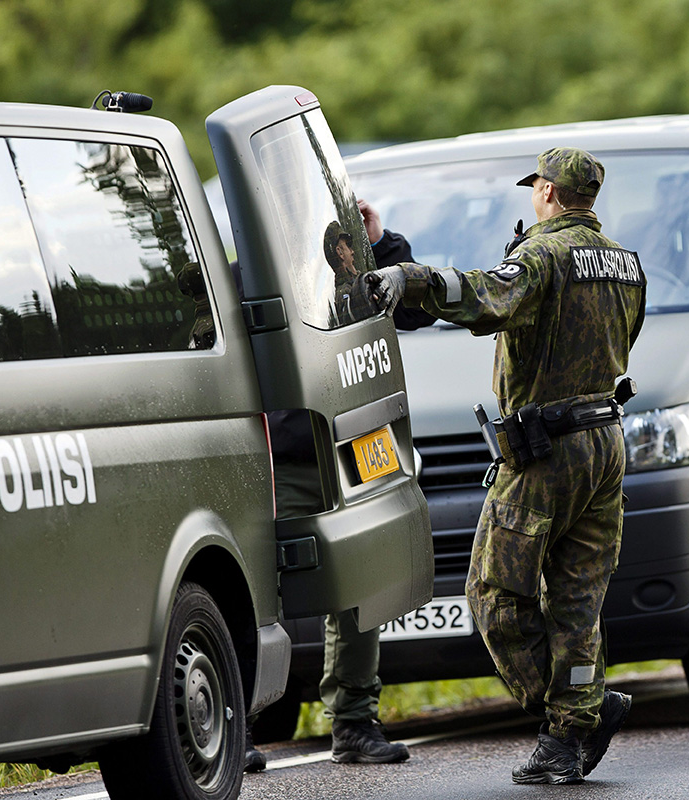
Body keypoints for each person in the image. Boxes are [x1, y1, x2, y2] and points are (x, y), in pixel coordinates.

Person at [366, 147, 644, 784]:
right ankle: (570, 734)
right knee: (577, 601)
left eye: (535, 187)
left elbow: (484, 296)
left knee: (492, 594)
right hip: (605, 443)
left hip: (545, 451)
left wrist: (409, 279)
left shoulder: (541, 256)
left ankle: (575, 716)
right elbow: (621, 341)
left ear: (547, 191)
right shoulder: (626, 263)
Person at [243, 199, 432, 773]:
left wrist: (379, 243)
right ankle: (234, 725)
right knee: (253, 591)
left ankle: (354, 722)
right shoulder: (242, 273)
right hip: (282, 457)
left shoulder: (351, 272)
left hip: (351, 443)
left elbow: (417, 309)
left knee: (362, 580)